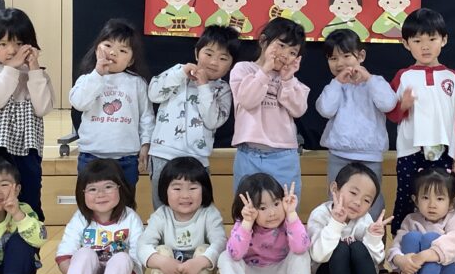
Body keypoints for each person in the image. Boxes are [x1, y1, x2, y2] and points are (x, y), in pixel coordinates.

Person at [307, 163, 422, 274]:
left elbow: (375, 260)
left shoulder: (365, 219)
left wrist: (373, 237)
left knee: (358, 247)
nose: (358, 202)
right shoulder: (320, 214)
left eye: (367, 200)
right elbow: (318, 254)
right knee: (340, 247)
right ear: (335, 189)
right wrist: (336, 224)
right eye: (353, 193)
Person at [387, 8, 455, 234]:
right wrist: (402, 106)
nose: (425, 46)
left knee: (443, 197)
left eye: (432, 39)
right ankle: (401, 245)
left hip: (444, 151)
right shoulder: (403, 76)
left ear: (444, 40)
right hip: (411, 151)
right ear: (406, 44)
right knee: (407, 197)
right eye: (417, 40)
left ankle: (445, 243)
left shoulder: (452, 77)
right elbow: (391, 115)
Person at [0, 7, 55, 221]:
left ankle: (30, 239)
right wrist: (12, 68)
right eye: (3, 44)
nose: (12, 50)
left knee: (29, 197)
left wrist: (34, 69)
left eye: (19, 43)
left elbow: (42, 108)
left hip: (27, 148)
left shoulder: (37, 76)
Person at [148, 25, 239, 209]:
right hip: (163, 154)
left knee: (195, 209)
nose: (214, 62)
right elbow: (154, 94)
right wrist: (179, 74)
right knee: (162, 208)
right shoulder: (178, 72)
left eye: (223, 58)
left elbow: (213, 121)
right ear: (197, 53)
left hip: (197, 159)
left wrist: (204, 87)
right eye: (209, 54)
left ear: (231, 64)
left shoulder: (223, 90)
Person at [51, 159, 143, 274]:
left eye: (108, 187)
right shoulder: (80, 218)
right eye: (92, 189)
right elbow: (64, 253)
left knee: (123, 257)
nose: (100, 194)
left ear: (121, 188)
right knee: (84, 253)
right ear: (82, 193)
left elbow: (138, 258)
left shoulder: (130, 218)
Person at [315, 28, 397, 220]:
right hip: (339, 155)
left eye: (346, 56)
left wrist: (369, 79)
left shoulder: (375, 82)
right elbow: (325, 109)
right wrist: (337, 83)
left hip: (370, 156)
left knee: (371, 199)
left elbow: (388, 103)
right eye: (333, 58)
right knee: (337, 198)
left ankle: (372, 235)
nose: (340, 63)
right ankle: (337, 234)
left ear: (361, 56)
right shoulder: (334, 86)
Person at [217, 174, 313, 274]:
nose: (272, 213)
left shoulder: (288, 222)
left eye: (276, 203)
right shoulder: (243, 224)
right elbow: (235, 254)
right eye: (262, 208)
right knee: (225, 256)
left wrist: (292, 215)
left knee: (301, 254)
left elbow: (301, 247)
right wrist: (247, 223)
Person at [138, 157, 226, 274]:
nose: (185, 195)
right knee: (161, 250)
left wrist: (200, 261)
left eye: (193, 188)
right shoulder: (161, 215)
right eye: (177, 188)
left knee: (204, 249)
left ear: (204, 190)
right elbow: (142, 246)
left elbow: (220, 242)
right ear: (164, 190)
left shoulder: (209, 213)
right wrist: (162, 262)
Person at [69, 18, 155, 194]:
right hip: (91, 156)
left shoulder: (137, 83)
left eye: (123, 50)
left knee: (125, 201)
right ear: (97, 49)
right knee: (92, 202)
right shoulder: (87, 79)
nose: (113, 53)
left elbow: (146, 116)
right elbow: (79, 103)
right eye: (108, 45)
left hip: (126, 158)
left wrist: (146, 144)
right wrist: (98, 74)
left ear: (130, 60)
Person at [230, 18, 309, 196]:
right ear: (263, 40)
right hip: (249, 155)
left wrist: (287, 80)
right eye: (281, 45)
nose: (285, 54)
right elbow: (248, 101)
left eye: (293, 52)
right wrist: (264, 71)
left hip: (284, 157)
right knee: (247, 207)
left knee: (286, 207)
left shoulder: (291, 81)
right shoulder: (243, 69)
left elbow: (298, 110)